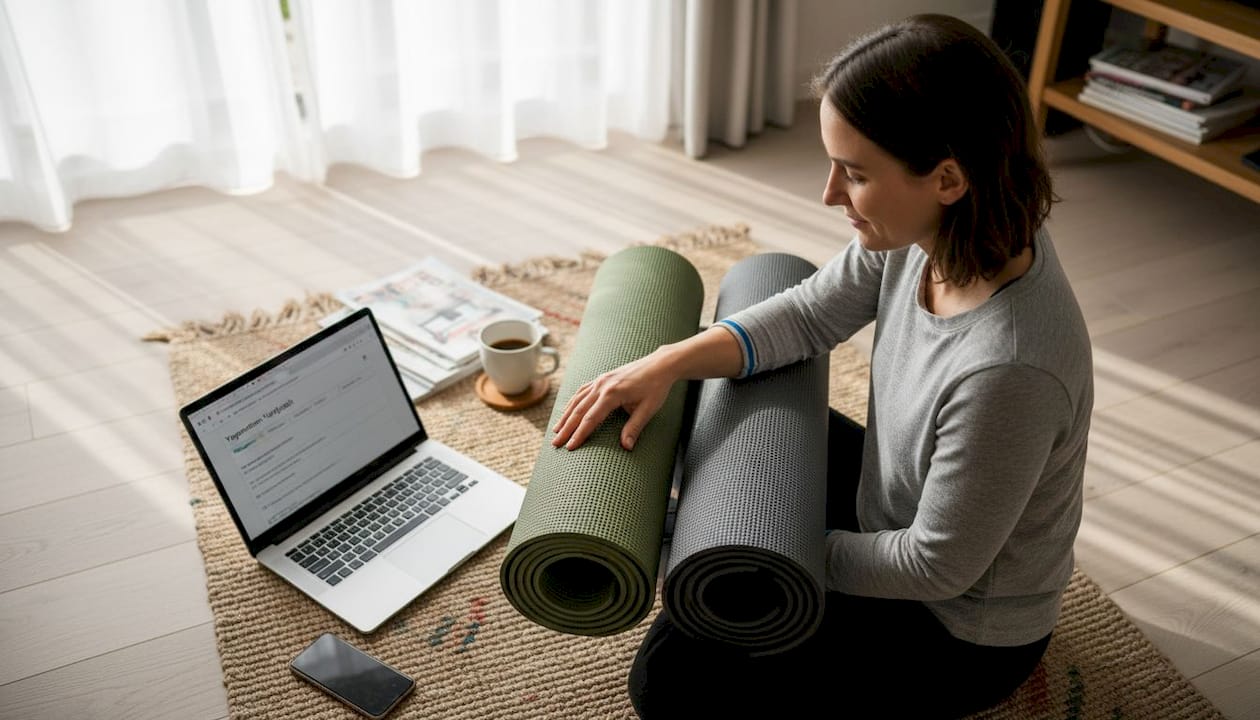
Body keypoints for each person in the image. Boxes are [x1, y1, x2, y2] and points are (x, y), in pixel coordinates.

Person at [552, 13, 1093, 719]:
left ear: (948, 178)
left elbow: (936, 565)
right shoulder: (928, 232)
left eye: (856, 173)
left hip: (953, 631)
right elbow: (808, 316)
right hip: (889, 503)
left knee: (669, 689)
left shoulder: (1010, 372)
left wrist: (767, 553)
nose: (830, 194)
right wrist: (667, 361)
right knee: (708, 404)